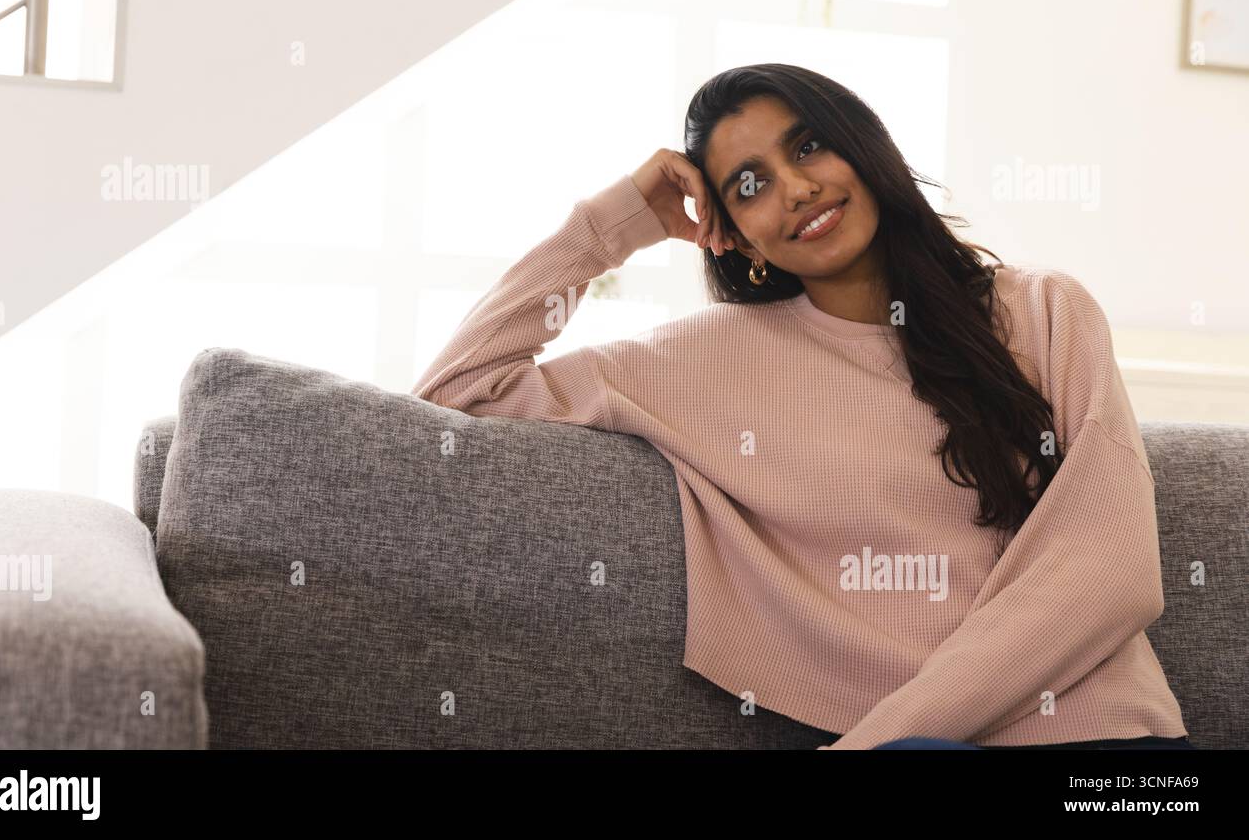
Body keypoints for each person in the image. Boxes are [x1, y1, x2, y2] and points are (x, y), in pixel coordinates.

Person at [412, 63, 1193, 750]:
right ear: (736, 235)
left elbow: (1113, 569)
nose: (794, 189)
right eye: (749, 186)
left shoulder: (1045, 311)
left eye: (808, 145)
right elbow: (456, 397)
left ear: (863, 144)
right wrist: (611, 224)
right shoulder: (703, 362)